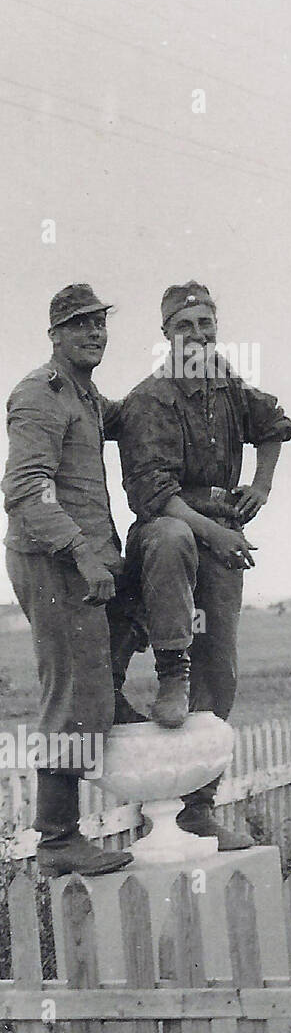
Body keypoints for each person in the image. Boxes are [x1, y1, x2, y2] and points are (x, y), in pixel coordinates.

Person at [116, 281, 291, 851]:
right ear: (166, 333)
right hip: (168, 533)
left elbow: (274, 424)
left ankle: (197, 807)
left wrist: (261, 487)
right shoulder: (149, 398)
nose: (197, 335)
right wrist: (218, 533)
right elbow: (153, 492)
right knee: (170, 544)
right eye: (185, 326)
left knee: (220, 670)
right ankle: (165, 698)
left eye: (205, 324)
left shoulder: (228, 385)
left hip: (221, 534)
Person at [3, 284, 139, 876]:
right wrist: (82, 553)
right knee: (69, 693)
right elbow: (24, 489)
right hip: (52, 559)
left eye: (100, 324)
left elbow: (128, 419)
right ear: (55, 334)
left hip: (83, 557)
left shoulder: (85, 395)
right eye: (81, 325)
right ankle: (57, 840)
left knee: (99, 672)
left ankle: (108, 698)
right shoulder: (40, 394)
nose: (94, 334)